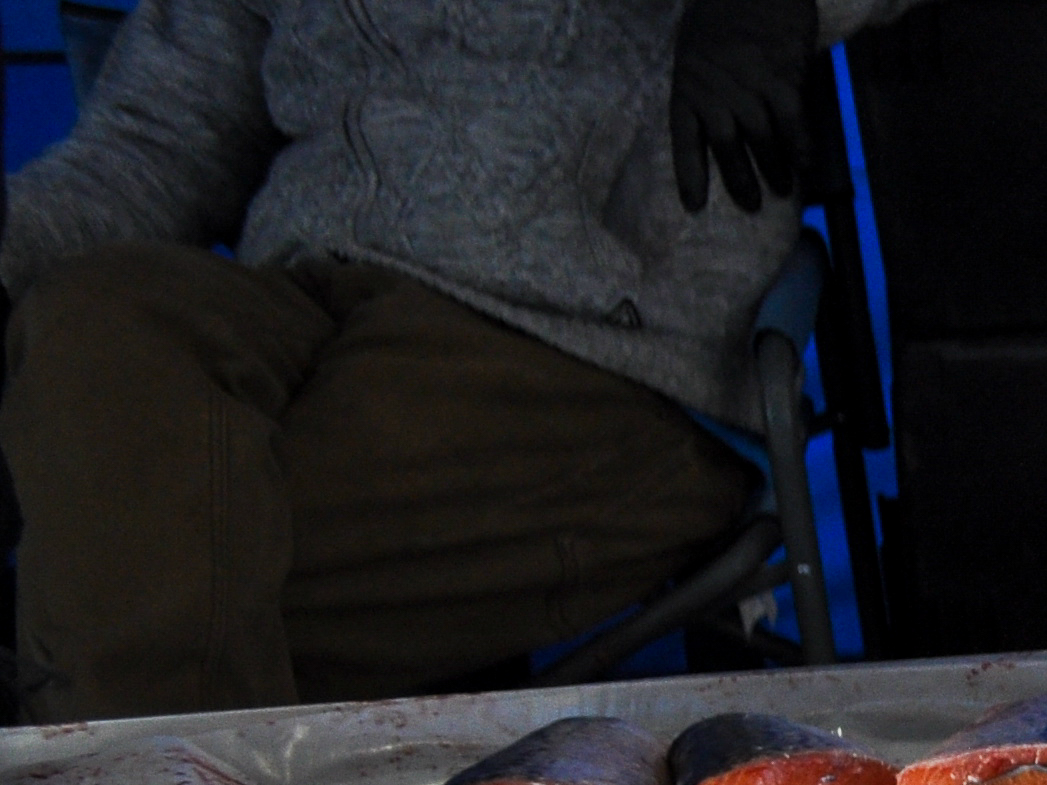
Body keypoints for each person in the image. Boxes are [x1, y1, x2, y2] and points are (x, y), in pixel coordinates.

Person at [0, 0, 908, 723]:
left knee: (128, 568)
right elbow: (151, 149)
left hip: (587, 345)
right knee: (93, 314)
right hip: (302, 305)